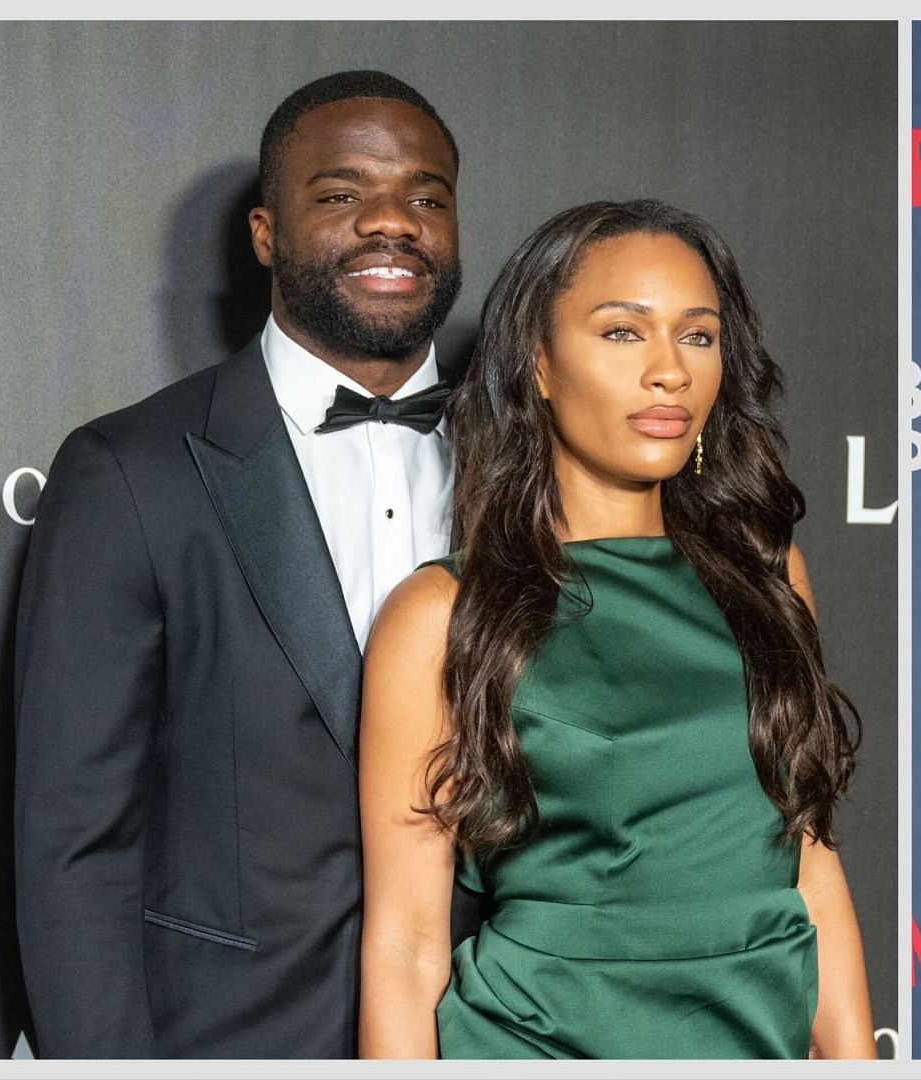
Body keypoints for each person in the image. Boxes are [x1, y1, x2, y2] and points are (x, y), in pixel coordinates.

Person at [355, 199, 877, 1060]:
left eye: (698, 336)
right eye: (624, 333)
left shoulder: (767, 574)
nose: (670, 371)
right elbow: (407, 947)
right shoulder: (442, 614)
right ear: (540, 366)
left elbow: (809, 862)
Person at [12, 70, 463, 1058]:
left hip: (489, 1039)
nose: (394, 223)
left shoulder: (537, 472)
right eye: (341, 195)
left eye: (427, 197)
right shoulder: (129, 473)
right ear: (266, 235)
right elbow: (74, 845)